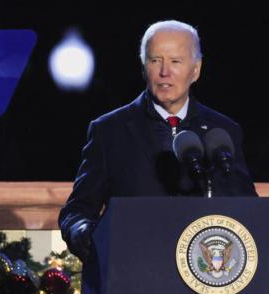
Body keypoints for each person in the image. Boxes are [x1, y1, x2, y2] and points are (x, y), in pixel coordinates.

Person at [59, 20, 258, 262]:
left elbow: (249, 209)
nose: (165, 72)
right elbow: (77, 211)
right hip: (135, 270)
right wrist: (83, 232)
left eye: (176, 61)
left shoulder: (223, 131)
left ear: (196, 70)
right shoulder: (109, 130)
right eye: (155, 61)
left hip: (206, 275)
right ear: (144, 68)